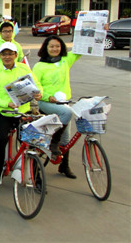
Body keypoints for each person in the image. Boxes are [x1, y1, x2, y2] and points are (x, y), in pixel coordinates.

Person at [0, 42, 43, 185]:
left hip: (23, 112)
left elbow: (37, 85)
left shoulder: (24, 68)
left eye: (10, 54)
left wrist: (39, 93)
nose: (7, 57)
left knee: (31, 143)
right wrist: (6, 104)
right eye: (4, 54)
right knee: (0, 140)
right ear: (0, 56)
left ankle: (36, 178)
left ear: (16, 55)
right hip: (5, 113)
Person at [32, 35, 81, 179]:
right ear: (46, 48)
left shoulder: (66, 60)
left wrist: (99, 30)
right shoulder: (39, 66)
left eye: (58, 46)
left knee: (66, 140)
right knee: (67, 113)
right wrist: (48, 97)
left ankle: (64, 165)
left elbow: (82, 48)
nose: (55, 49)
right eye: (52, 46)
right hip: (46, 102)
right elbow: (36, 86)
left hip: (63, 102)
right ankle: (53, 143)